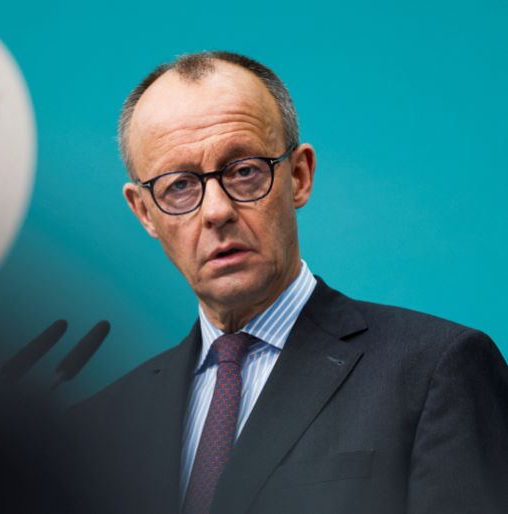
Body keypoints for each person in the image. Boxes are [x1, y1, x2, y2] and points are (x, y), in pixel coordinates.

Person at [68, 51, 508, 514]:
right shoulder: (100, 425)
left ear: (298, 176)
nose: (216, 211)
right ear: (144, 212)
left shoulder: (435, 371)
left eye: (243, 172)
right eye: (180, 186)